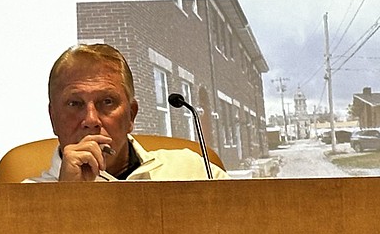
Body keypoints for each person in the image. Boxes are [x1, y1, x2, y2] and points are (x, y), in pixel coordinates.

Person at [28, 43, 229, 182]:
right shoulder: (21, 202)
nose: (91, 119)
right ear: (53, 118)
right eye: (74, 103)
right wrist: (65, 199)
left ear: (131, 115)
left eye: (107, 102)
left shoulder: (192, 170)